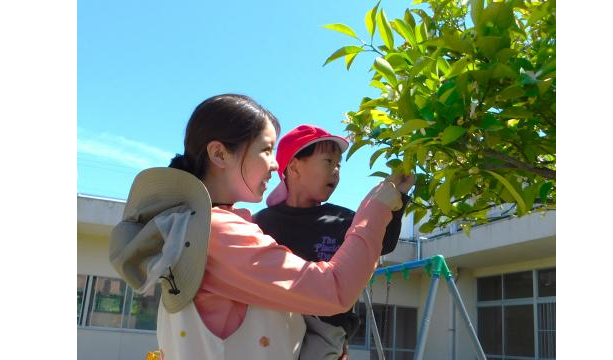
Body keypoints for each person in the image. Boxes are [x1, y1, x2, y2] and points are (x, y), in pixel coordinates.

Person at [109, 94, 414, 360]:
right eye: (266, 150)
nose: (273, 164)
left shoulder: (185, 225)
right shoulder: (219, 233)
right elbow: (334, 289)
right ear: (219, 153)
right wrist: (378, 205)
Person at [253, 124, 411, 359]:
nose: (336, 170)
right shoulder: (261, 224)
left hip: (326, 331)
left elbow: (383, 242)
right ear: (294, 167)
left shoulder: (343, 218)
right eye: (328, 161)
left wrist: (396, 199)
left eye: (338, 164)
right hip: (273, 327)